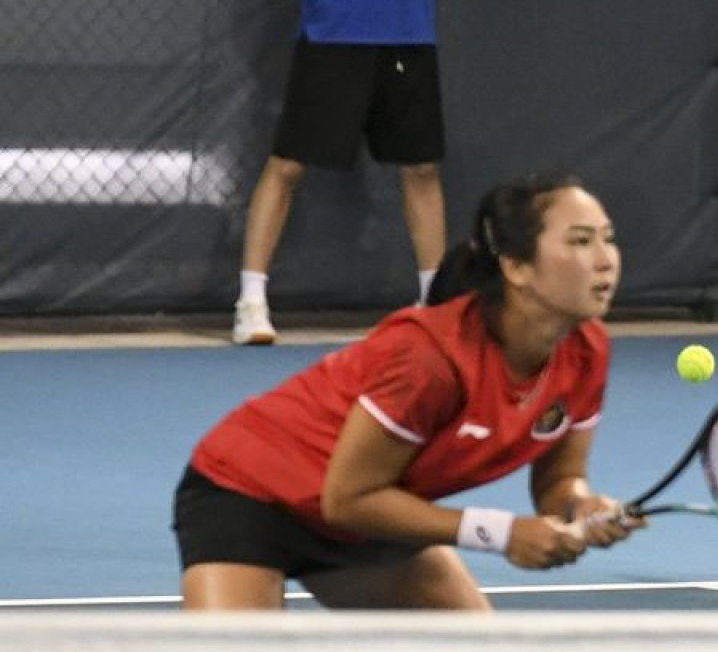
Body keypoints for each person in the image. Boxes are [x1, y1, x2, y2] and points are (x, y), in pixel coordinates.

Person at [176, 172, 637, 610]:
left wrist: (581, 505)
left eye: (609, 237)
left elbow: (558, 481)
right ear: (516, 267)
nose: (606, 259)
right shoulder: (429, 358)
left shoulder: (586, 351)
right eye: (580, 241)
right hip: (251, 496)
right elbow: (347, 498)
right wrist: (500, 533)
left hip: (369, 515)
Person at [234, 0, 451, 345]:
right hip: (334, 30)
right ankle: (251, 304)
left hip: (410, 32)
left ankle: (436, 305)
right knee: (287, 165)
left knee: (422, 169)